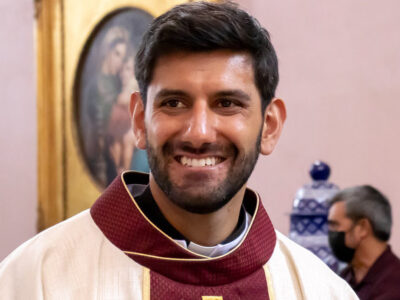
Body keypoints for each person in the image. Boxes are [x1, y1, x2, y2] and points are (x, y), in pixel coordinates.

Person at [0, 2, 358, 299]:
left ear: (270, 126)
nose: (199, 132)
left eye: (227, 103)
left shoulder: (319, 291)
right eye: (173, 103)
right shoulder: (35, 281)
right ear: (139, 121)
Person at [328, 185, 400, 300]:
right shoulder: (345, 277)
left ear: (362, 228)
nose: (330, 232)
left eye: (335, 225)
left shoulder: (393, 286)